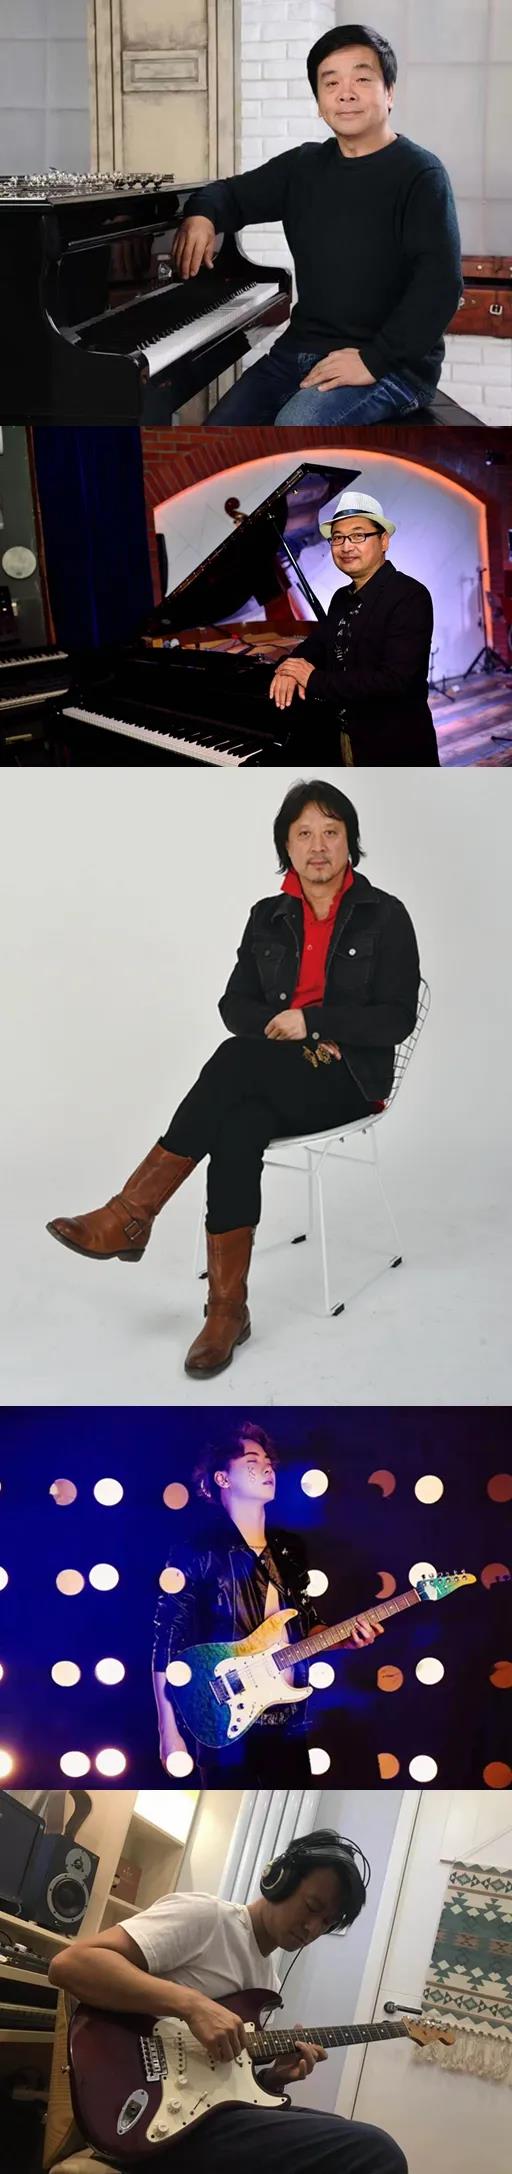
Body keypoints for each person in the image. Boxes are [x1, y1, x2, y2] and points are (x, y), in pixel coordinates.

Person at [46, 779, 421, 1379]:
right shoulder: (267, 916)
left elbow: (397, 1019)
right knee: (238, 1121)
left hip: (348, 1078)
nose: (318, 846)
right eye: (304, 833)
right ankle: (227, 1310)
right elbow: (233, 1004)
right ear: (285, 846)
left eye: (331, 832)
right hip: (275, 1073)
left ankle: (131, 1214)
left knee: (233, 1062)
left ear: (350, 842)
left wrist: (313, 1022)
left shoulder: (386, 914)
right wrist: (278, 1030)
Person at [48, 1828, 408, 2174]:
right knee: (374, 2151)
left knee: (349, 2143)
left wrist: (273, 2079)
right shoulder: (208, 1918)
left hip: (202, 2117)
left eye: (326, 1923)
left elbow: (223, 2079)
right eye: (312, 1906)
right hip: (148, 2113)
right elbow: (71, 1965)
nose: (312, 1928)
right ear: (280, 1879)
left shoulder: (268, 1983)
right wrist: (192, 2005)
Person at [172, 23, 462, 427]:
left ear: (390, 93)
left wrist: (374, 360)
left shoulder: (421, 174)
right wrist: (202, 215)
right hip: (299, 350)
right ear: (319, 102)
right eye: (331, 83)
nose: (346, 93)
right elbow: (229, 194)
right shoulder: (304, 166)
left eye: (362, 79)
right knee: (217, 437)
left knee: (296, 428)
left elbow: (440, 287)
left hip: (393, 365)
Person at [152, 1424, 381, 1783]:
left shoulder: (288, 1551)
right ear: (222, 1479)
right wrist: (168, 1731)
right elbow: (167, 1641)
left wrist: (344, 1640)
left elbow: (306, 1629)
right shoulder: (196, 1552)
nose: (267, 1467)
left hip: (288, 1718)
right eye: (252, 1461)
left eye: (268, 1461)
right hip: (224, 1719)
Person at [269, 489, 438, 765]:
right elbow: (317, 645)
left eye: (358, 536)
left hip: (394, 747)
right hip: (344, 738)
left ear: (384, 541)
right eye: (337, 538)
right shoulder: (341, 598)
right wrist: (288, 667)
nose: (346, 546)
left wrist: (313, 679)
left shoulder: (410, 595)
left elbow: (394, 681)